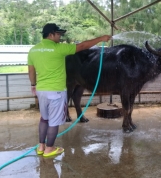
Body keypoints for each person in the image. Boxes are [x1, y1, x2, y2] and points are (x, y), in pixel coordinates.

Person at [28, 23, 111, 157]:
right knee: (54, 122)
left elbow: (31, 71)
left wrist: (33, 85)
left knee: (44, 119)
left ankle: (41, 146)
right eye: (58, 34)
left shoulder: (33, 50)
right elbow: (83, 46)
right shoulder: (59, 49)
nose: (60, 37)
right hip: (56, 92)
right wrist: (101, 38)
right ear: (50, 34)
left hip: (41, 91)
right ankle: (50, 148)